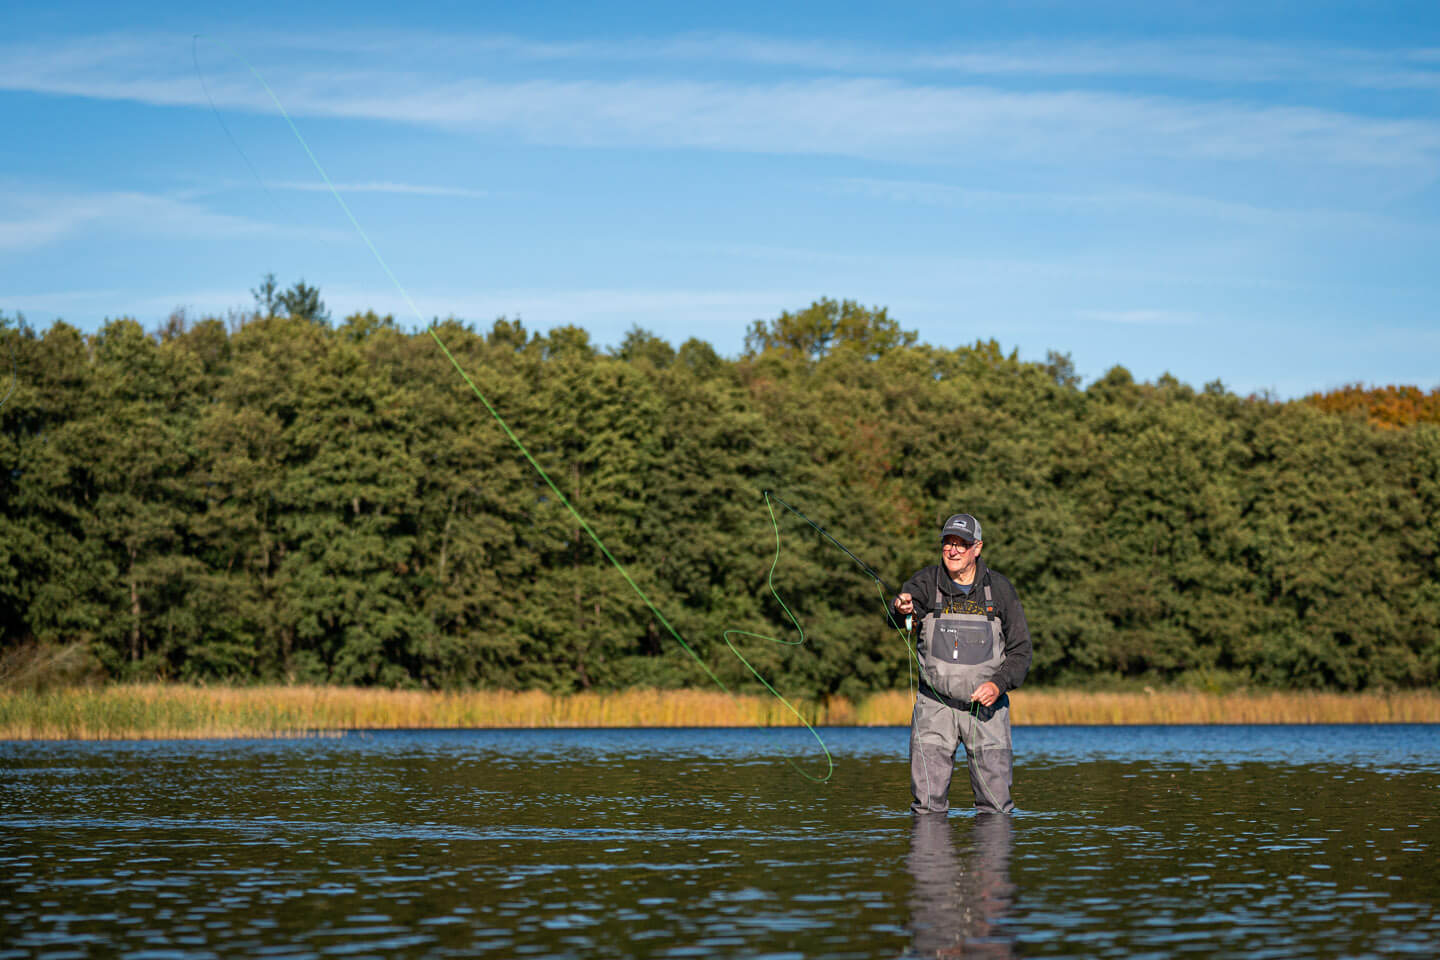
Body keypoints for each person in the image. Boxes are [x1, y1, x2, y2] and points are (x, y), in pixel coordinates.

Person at [892, 513, 1032, 814]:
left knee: (996, 808)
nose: (953, 551)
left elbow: (1021, 651)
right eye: (948, 543)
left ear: (977, 548)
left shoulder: (1001, 590)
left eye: (962, 544)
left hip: (987, 712)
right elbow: (904, 615)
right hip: (934, 708)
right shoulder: (925, 582)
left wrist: (998, 684)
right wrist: (901, 607)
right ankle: (930, 859)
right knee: (927, 807)